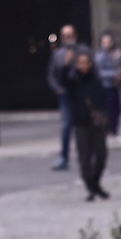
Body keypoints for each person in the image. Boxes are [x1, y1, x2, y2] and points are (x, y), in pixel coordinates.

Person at [62, 51, 110, 202]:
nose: (84, 66)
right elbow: (63, 81)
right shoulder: (74, 82)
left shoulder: (96, 81)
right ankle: (90, 187)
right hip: (81, 123)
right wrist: (66, 64)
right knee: (85, 157)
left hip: (97, 123)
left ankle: (95, 183)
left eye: (86, 62)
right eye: (80, 63)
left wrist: (106, 121)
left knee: (101, 155)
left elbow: (103, 101)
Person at [47, 25, 88, 170]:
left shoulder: (83, 51)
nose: (68, 39)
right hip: (66, 94)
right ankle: (64, 157)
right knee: (66, 126)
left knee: (85, 126)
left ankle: (87, 156)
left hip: (81, 93)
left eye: (70, 35)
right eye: (65, 36)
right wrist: (57, 89)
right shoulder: (58, 54)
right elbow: (52, 74)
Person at [94, 32, 121, 138]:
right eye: (104, 42)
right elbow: (99, 72)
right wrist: (113, 75)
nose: (107, 44)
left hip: (114, 85)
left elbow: (120, 67)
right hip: (105, 85)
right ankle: (109, 129)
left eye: (108, 42)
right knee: (109, 108)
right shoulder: (100, 57)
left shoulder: (114, 54)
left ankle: (115, 129)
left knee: (117, 108)